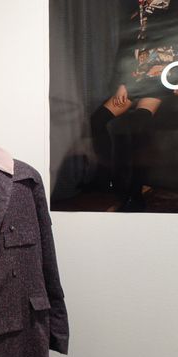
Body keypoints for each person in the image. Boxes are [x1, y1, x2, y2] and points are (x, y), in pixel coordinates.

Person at [90, 0, 178, 211]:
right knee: (98, 120)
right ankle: (111, 180)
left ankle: (135, 194)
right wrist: (122, 83)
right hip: (135, 78)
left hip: (162, 77)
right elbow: (126, 48)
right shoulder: (135, 9)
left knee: (137, 123)